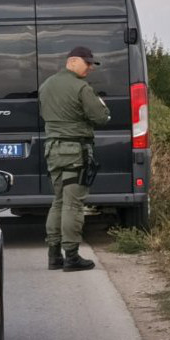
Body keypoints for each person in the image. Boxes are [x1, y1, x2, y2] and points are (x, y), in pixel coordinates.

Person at [38, 46, 111, 272]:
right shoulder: (81, 87)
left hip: (53, 151)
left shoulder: (46, 85)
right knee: (73, 203)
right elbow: (101, 117)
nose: (90, 67)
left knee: (58, 200)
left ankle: (54, 256)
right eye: (87, 63)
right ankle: (71, 256)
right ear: (72, 61)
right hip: (75, 151)